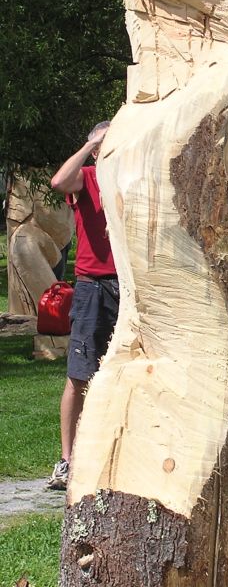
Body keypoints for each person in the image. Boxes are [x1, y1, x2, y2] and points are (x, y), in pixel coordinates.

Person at [46, 122, 119, 490]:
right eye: (108, 142)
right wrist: (91, 141)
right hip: (93, 289)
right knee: (80, 373)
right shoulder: (87, 177)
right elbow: (59, 182)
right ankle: (67, 460)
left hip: (132, 287)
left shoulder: (129, 179)